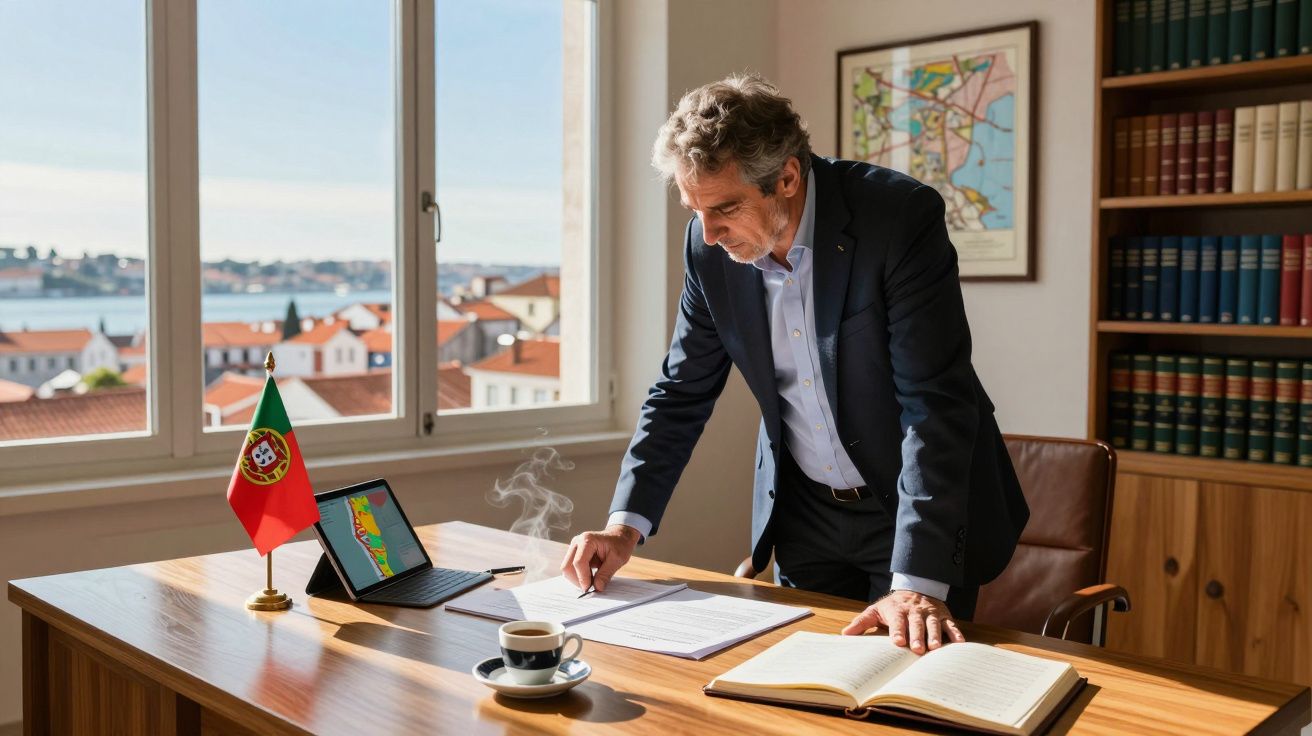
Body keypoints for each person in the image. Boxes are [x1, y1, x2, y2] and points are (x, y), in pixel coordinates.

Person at [561, 74, 1028, 654]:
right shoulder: (708, 249)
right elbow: (680, 390)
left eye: (726, 208)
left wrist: (915, 583)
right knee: (801, 690)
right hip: (805, 514)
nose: (708, 234)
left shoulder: (898, 218)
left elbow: (933, 405)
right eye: (694, 209)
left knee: (909, 692)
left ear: (786, 176)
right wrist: (622, 526)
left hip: (910, 511)